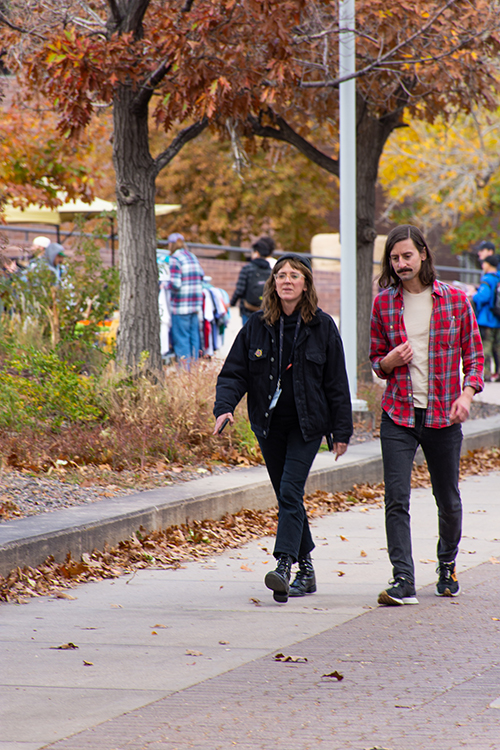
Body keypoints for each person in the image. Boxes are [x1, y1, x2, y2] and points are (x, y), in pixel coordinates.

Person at [213, 253, 353, 603]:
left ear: (306, 283)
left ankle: (284, 566)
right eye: (280, 275)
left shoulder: (322, 327)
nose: (286, 280)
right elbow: (234, 373)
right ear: (273, 283)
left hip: (307, 427)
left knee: (290, 491)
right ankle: (307, 569)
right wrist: (224, 408)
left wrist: (341, 431)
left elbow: (336, 382)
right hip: (269, 425)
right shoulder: (257, 325)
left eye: (294, 275)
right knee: (287, 495)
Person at [370, 225, 484, 607]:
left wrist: (466, 396)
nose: (401, 263)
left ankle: (447, 565)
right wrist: (388, 361)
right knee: (396, 498)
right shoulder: (383, 303)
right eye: (394, 258)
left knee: (447, 498)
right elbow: (376, 362)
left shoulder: (454, 299)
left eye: (407, 256)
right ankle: (403, 578)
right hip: (399, 413)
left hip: (444, 416)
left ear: (422, 254)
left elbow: (475, 358)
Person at [167, 233, 204, 362]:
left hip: (181, 306)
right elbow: (201, 276)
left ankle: (184, 373)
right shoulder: (192, 256)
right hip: (195, 305)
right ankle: (194, 372)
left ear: (170, 244)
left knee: (182, 339)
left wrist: (164, 284)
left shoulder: (175, 258)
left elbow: (175, 284)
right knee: (194, 338)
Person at [230, 237, 274, 325]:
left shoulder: (247, 268)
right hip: (265, 311)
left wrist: (232, 303)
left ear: (256, 253)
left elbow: (240, 290)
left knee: (248, 336)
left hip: (248, 310)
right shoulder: (270, 270)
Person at [473, 254, 500, 382]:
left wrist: (474, 295)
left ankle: (487, 373)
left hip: (487, 319)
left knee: (486, 347)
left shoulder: (487, 279)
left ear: (488, 265)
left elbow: (483, 297)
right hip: (497, 318)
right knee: (497, 347)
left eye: (483, 263)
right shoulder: (498, 278)